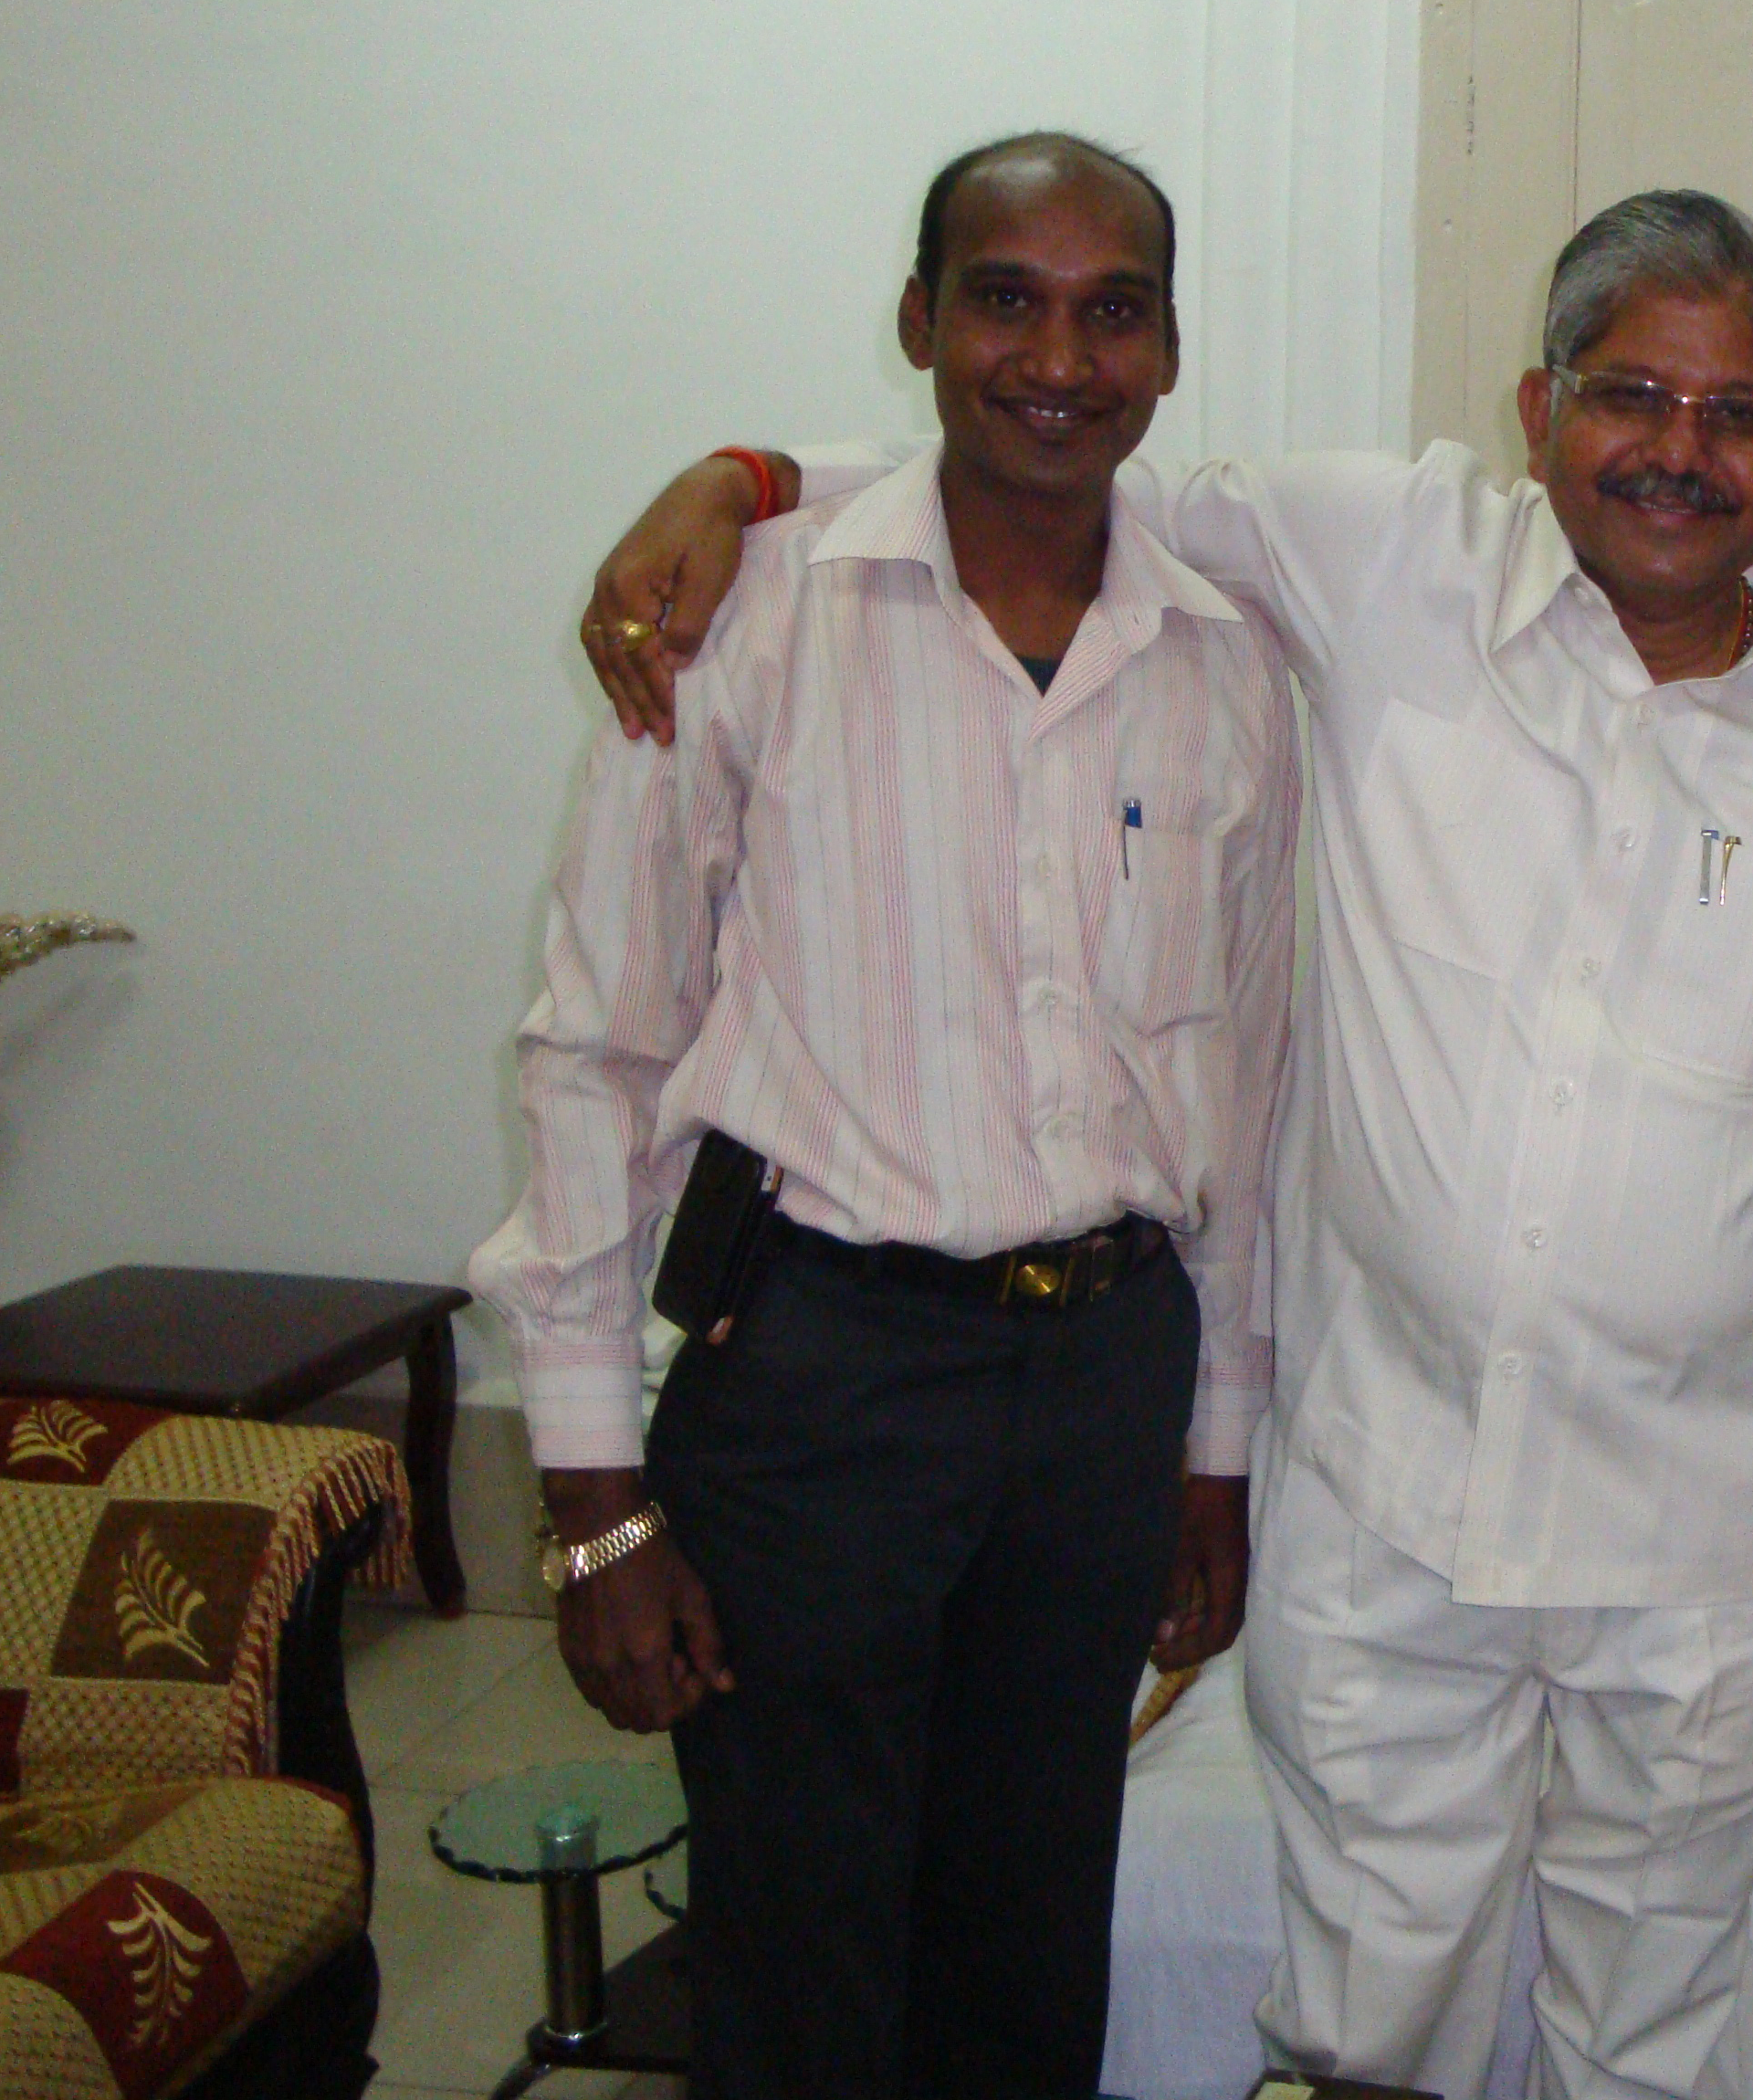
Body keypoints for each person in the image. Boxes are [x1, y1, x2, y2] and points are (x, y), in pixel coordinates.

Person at [582, 186, 1753, 2100]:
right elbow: (1046, 462)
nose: (1679, 451)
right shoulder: (1388, 557)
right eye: (1630, 395)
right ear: (1538, 408)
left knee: (1658, 2028)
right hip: (1388, 1503)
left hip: (1711, 1538)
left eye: (1738, 413)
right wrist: (746, 483)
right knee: (1367, 2018)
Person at [469, 133, 1300, 2099]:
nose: (1059, 359)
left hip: (1105, 1382)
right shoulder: (745, 617)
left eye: (1114, 311)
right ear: (920, 321)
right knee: (798, 1956)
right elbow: (594, 1053)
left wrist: (1215, 1447)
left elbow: (1247, 1092)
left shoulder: (1227, 663)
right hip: (818, 1378)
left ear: (1171, 352)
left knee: (1029, 1947)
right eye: (1006, 299)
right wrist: (592, 1505)